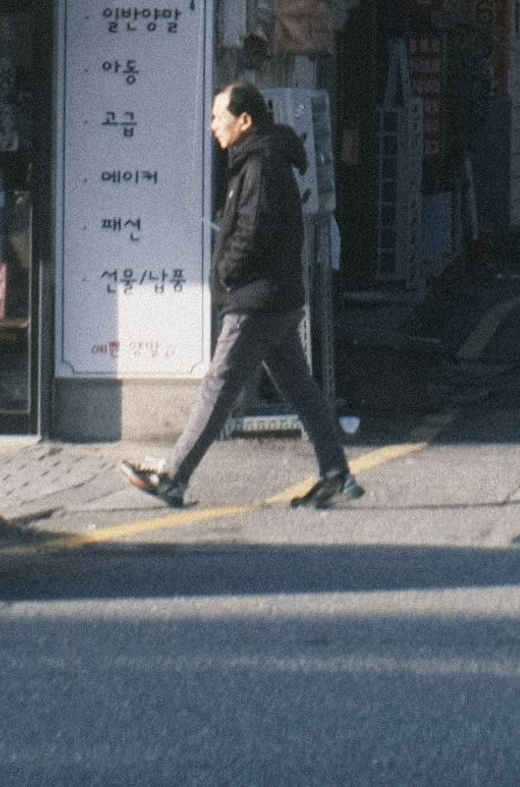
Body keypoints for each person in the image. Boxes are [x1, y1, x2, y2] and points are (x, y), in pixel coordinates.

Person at [120, 85, 358, 509]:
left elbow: (252, 231)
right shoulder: (261, 160)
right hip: (277, 299)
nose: (212, 125)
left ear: (244, 120)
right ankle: (336, 472)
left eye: (218, 116)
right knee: (300, 388)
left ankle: (174, 477)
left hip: (257, 301)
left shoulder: (261, 164)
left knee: (218, 386)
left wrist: (225, 274)